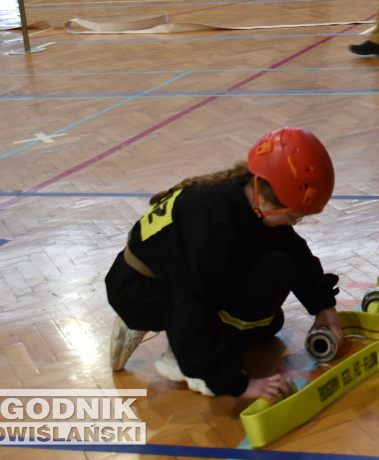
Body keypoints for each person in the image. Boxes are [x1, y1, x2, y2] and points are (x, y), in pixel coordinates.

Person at [105, 127, 343, 400]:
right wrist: (236, 383)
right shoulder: (210, 228)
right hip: (141, 294)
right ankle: (178, 357)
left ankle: (188, 343)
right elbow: (188, 304)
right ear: (265, 200)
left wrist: (323, 306)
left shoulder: (246, 192)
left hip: (161, 276)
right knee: (272, 277)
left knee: (269, 323)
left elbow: (290, 245)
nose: (295, 224)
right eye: (293, 217)